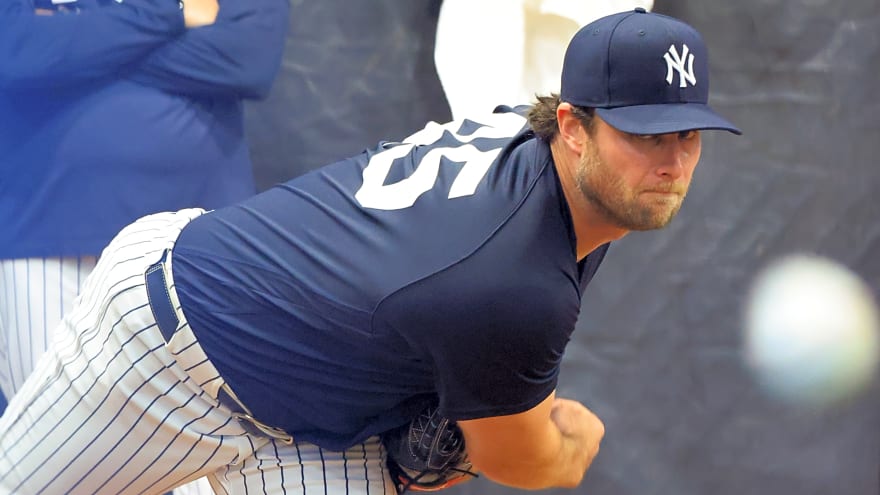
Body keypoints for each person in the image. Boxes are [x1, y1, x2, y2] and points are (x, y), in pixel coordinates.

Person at [0, 9, 740, 495]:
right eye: (644, 133)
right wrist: (570, 439)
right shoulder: (516, 278)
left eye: (686, 133)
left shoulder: (538, 146)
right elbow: (519, 458)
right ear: (575, 125)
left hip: (312, 424)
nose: (671, 161)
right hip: (169, 346)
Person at [0, 0, 289, 403]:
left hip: (195, 238)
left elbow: (249, 57)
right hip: (46, 232)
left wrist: (77, 46)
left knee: (206, 438)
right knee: (43, 441)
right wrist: (171, 13)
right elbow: (14, 50)